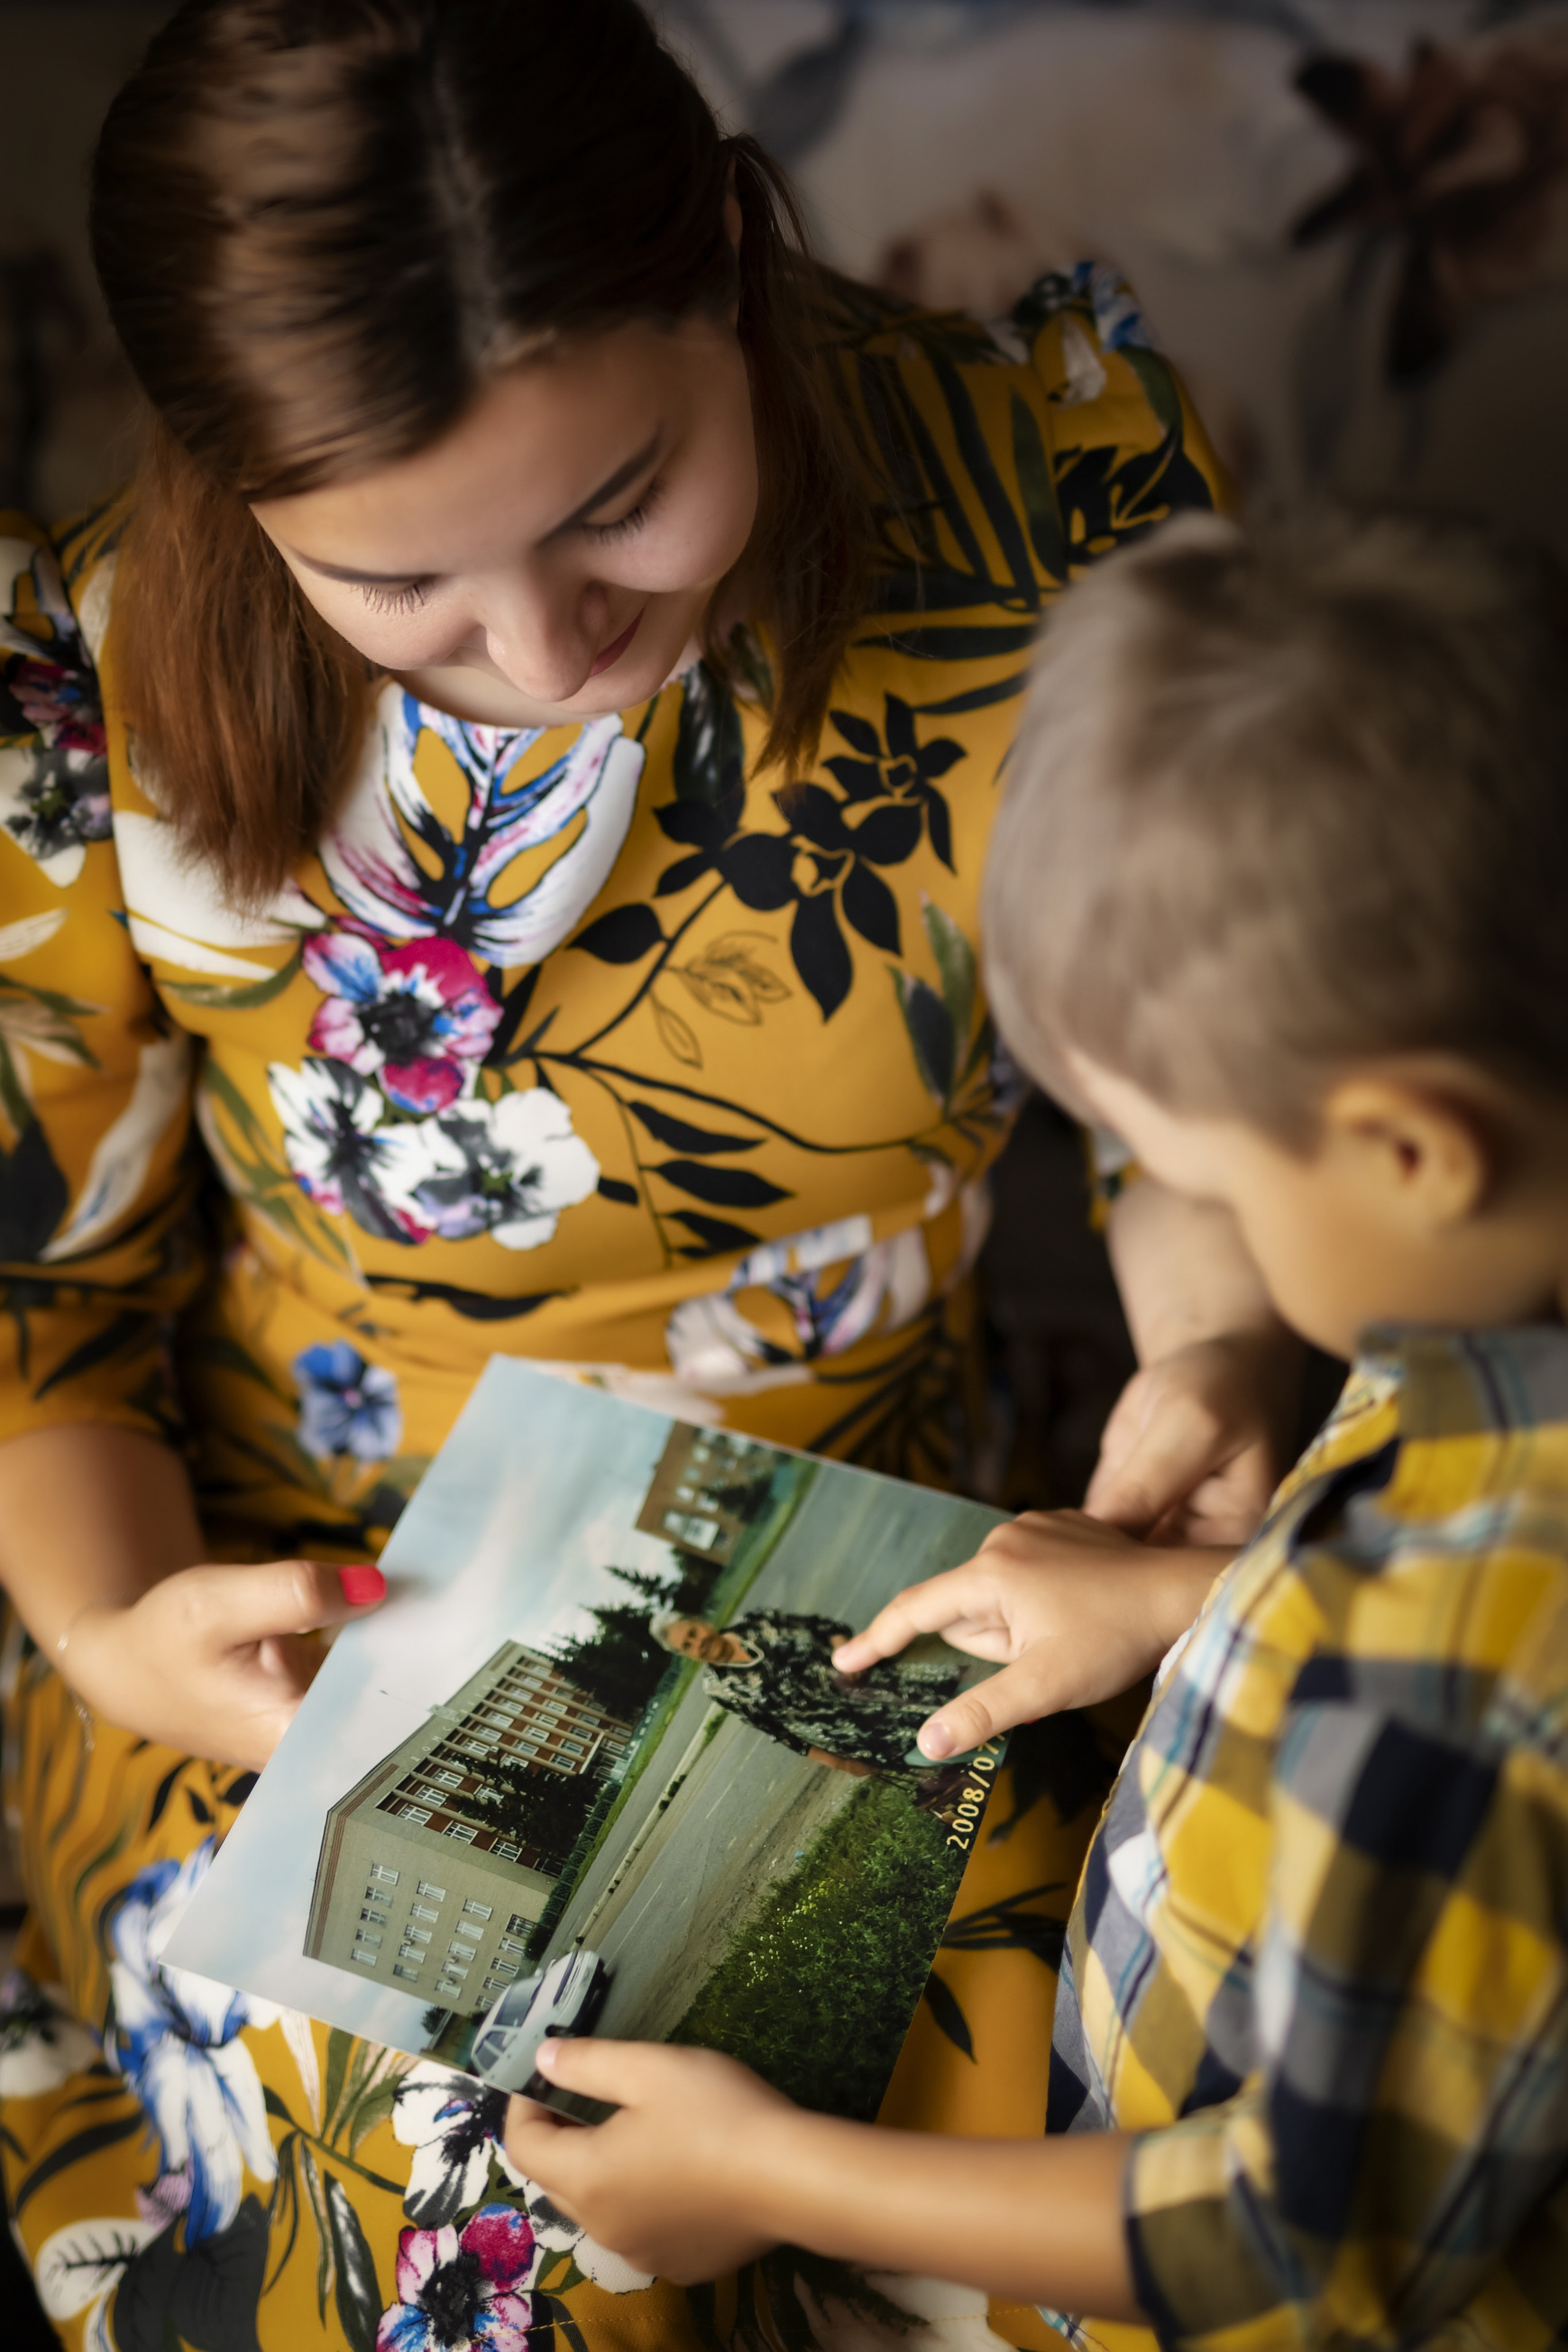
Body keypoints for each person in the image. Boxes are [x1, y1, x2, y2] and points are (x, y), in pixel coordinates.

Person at [0, 2, 1280, 2342]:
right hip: (296, 1628)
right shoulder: (86, 692)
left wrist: (1214, 1350)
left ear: (717, 247)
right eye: (400, 587)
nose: (543, 655)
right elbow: (39, 1310)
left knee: (1104, 2182)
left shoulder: (1050, 501)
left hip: (897, 1579)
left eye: (613, 504)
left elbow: (1175, 1094)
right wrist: (110, 1637)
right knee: (489, 2226)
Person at [505, 506, 1568, 2351]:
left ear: (1412, 1147)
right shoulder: (1488, 1344)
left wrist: (770, 2175)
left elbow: (1298, 2240)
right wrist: (1203, 1604)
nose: (1171, 1195)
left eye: (1196, 1163)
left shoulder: (1443, 1659)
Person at [650, 1607, 967, 1793]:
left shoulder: (759, 1621)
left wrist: (845, 1656)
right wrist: (841, 1763)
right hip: (858, 1734)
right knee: (948, 1755)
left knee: (966, 1716)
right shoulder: (720, 1689)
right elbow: (776, 1730)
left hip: (884, 1688)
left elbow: (826, 1626)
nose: (698, 1642)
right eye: (687, 1646)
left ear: (703, 1623)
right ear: (687, 1655)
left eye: (693, 1631)